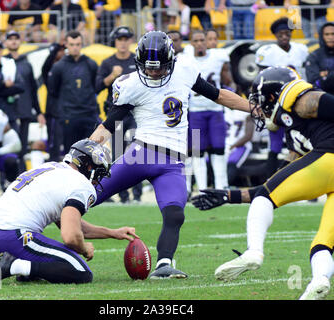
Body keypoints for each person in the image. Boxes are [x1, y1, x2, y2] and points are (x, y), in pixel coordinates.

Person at [88, 30, 250, 279]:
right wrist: (86, 151)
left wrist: (252, 108)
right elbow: (109, 125)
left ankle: (164, 264)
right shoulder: (129, 85)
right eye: (148, 67)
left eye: (159, 67)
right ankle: (37, 230)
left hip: (172, 161)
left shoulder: (184, 70)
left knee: (175, 213)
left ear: (171, 60)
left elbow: (218, 96)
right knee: (87, 196)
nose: (153, 72)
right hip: (139, 155)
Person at [192, 66, 334, 300]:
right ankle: (319, 282)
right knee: (322, 244)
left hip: (329, 156)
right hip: (325, 164)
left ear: (272, 95)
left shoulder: (298, 98)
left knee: (266, 198)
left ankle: (254, 253)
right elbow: (271, 188)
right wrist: (229, 196)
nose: (258, 108)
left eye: (259, 100)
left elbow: (324, 102)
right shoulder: (293, 135)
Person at [0, 138, 138, 285]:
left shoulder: (51, 167)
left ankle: (27, 270)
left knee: (61, 259)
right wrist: (83, 248)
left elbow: (72, 223)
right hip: (11, 234)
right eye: (98, 172)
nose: (98, 180)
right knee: (80, 271)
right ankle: (14, 266)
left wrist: (113, 233)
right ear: (88, 166)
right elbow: (70, 237)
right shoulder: (82, 184)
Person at [255, 17, 309, 177]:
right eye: (281, 34)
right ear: (275, 35)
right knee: (275, 144)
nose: (284, 36)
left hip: (298, 102)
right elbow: (260, 79)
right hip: (276, 104)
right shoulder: (268, 53)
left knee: (301, 143)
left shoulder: (301, 50)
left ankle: (303, 184)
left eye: (287, 33)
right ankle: (267, 184)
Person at [95, 26, 142, 204]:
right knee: (118, 155)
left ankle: (137, 195)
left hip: (135, 112)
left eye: (126, 39)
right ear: (115, 42)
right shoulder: (107, 63)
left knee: (137, 152)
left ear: (130, 41)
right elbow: (97, 86)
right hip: (115, 113)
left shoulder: (137, 60)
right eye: (120, 39)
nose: (123, 42)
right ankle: (123, 196)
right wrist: (110, 77)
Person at [185, 29, 234, 197]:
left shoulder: (218, 57)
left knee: (219, 149)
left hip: (215, 111)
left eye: (202, 40)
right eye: (196, 40)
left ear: (207, 41)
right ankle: (203, 190)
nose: (199, 44)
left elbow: (227, 79)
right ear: (191, 43)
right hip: (196, 112)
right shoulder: (185, 60)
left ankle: (221, 188)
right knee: (197, 152)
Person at [47, 30, 100, 154]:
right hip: (68, 116)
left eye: (78, 44)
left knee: (89, 154)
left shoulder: (91, 64)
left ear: (82, 44)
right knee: (70, 154)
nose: (75, 48)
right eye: (72, 44)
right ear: (66, 44)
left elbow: (95, 87)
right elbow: (53, 90)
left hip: (89, 115)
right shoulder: (59, 67)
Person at [3, 30, 46, 170]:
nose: (14, 41)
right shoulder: (2, 62)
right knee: (7, 145)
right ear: (6, 42)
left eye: (16, 38)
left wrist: (39, 112)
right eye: (10, 38)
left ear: (20, 42)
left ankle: (21, 174)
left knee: (22, 146)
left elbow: (33, 89)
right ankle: (8, 177)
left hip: (24, 109)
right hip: (7, 111)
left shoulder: (26, 64)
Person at [41, 38, 66, 162]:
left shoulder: (68, 69)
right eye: (58, 52)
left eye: (62, 51)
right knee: (53, 145)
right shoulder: (48, 73)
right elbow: (45, 67)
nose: (60, 54)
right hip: (53, 113)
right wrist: (57, 48)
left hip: (67, 112)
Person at [224, 108, 254, 187]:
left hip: (237, 145)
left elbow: (248, 135)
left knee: (229, 164)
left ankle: (222, 187)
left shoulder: (244, 110)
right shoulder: (192, 109)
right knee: (198, 161)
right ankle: (191, 188)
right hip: (193, 142)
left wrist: (232, 146)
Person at [305, 22, 334, 95]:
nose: (330, 37)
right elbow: (313, 82)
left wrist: (326, 75)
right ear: (322, 36)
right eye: (327, 34)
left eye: (333, 34)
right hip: (322, 97)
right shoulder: (314, 55)